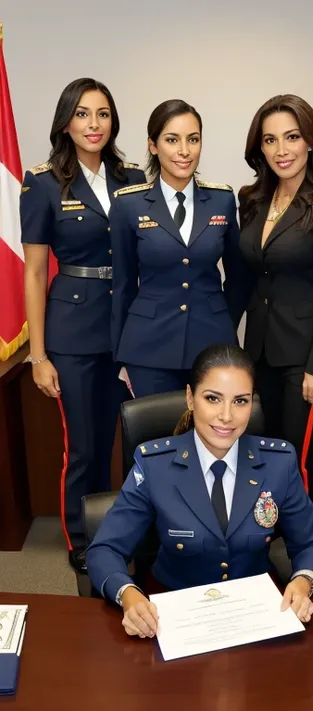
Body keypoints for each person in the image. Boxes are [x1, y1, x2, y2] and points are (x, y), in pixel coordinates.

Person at [87, 344, 313, 637]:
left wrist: (304, 581)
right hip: (173, 614)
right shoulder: (155, 465)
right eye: (213, 398)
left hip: (256, 613)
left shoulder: (278, 462)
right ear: (190, 398)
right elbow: (105, 549)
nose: (226, 416)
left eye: (240, 401)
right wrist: (127, 593)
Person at [21, 78, 145, 573]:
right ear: (65, 122)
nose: (93, 124)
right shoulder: (44, 181)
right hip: (72, 330)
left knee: (137, 439)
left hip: (131, 325)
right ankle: (82, 536)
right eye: (82, 114)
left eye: (103, 114)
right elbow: (33, 270)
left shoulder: (132, 175)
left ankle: (131, 529)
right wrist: (38, 354)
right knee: (84, 445)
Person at [239, 94, 313, 531]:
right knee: (262, 456)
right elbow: (248, 280)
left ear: (311, 142)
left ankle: (310, 551)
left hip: (305, 360)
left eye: (292, 137)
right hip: (260, 355)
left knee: (297, 459)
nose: (282, 149)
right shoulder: (251, 199)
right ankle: (268, 542)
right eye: (271, 140)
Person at [109, 99, 250, 399]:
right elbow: (123, 286)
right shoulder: (127, 204)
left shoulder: (222, 200)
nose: (184, 151)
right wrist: (122, 354)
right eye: (172, 140)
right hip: (147, 349)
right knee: (157, 441)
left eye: (193, 139)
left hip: (212, 345)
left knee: (213, 439)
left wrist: (224, 324)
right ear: (153, 145)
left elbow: (239, 278)